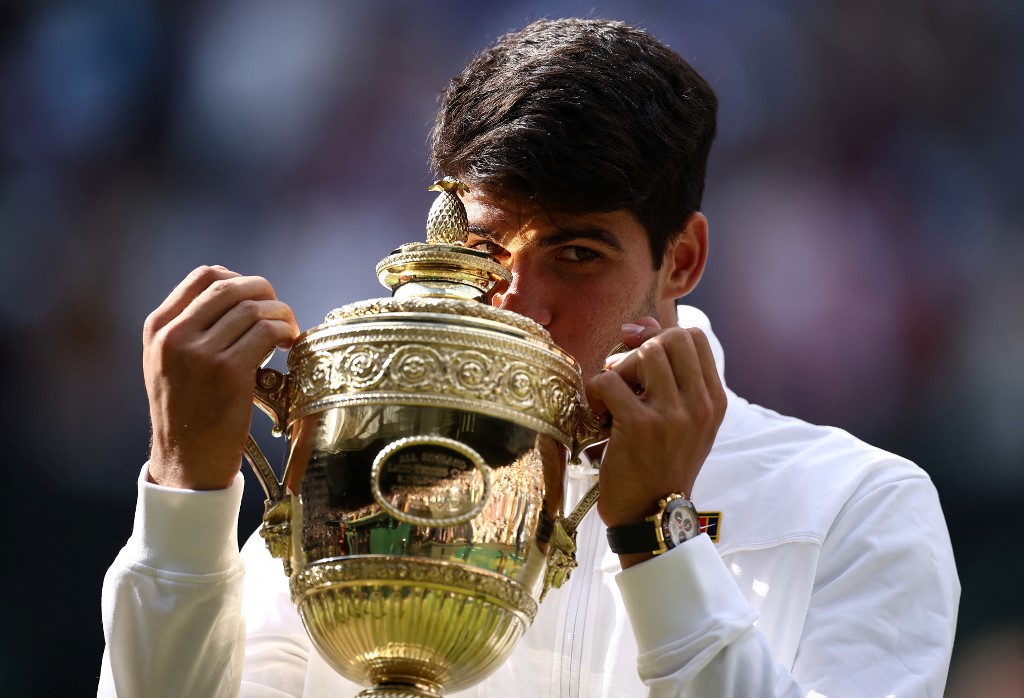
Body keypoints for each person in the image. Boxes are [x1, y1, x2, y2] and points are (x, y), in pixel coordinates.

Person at [99, 17, 959, 697]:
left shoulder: (855, 505)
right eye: (485, 253)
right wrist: (187, 486)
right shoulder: (361, 482)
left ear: (682, 260)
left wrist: (658, 538)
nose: (520, 303)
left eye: (577, 256)